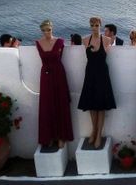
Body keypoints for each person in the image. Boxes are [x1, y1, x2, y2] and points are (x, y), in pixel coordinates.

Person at [77, 17, 117, 149]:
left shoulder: (106, 40)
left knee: (101, 106)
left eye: (96, 25)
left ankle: (98, 134)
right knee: (91, 105)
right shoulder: (85, 40)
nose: (94, 27)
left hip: (102, 75)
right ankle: (94, 131)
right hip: (90, 74)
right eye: (92, 25)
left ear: (100, 25)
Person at [35, 20, 73, 148]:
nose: (47, 33)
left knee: (59, 103)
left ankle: (61, 136)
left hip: (58, 75)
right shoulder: (38, 43)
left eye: (49, 30)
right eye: (44, 30)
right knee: (47, 106)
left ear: (52, 29)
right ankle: (49, 136)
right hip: (45, 77)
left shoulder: (60, 42)